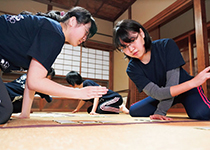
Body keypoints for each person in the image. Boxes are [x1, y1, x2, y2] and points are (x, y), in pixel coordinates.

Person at [0, 6, 108, 124]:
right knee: (4, 111)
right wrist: (78, 93)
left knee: (6, 109)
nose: (85, 38)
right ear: (72, 21)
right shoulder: (54, 32)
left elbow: (31, 79)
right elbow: (34, 81)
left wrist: (25, 113)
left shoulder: (51, 29)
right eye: (86, 32)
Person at [113, 19, 210, 120]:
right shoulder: (132, 69)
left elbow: (172, 84)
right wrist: (160, 111)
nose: (131, 49)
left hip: (187, 88)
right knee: (135, 111)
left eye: (132, 40)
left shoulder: (166, 45)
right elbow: (157, 93)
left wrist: (161, 111)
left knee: (202, 114)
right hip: (162, 93)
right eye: (124, 47)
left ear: (141, 33)